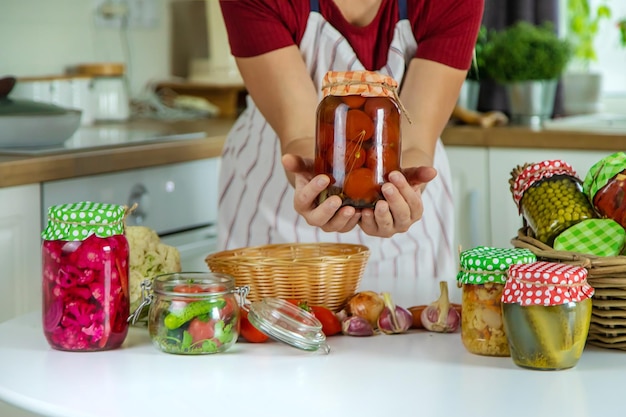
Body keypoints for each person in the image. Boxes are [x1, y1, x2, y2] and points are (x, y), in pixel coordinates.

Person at [217, 0, 484, 304]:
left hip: (404, 228)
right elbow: (303, 133)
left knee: (402, 335)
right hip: (275, 221)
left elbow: (413, 142)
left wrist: (403, 190)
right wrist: (313, 179)